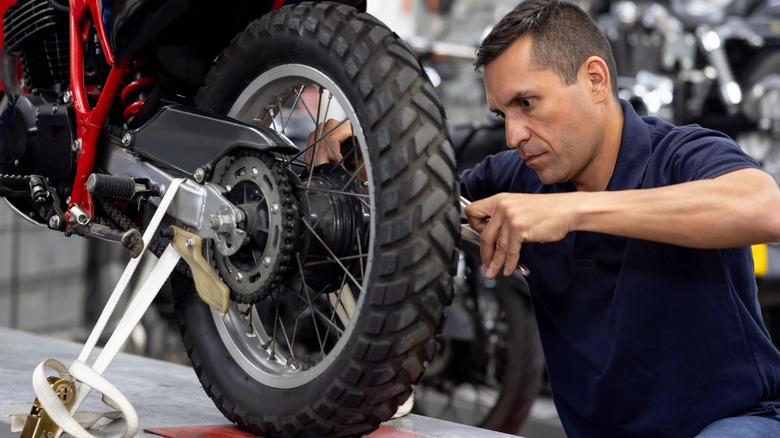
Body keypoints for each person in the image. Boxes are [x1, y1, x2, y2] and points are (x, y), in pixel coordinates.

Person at [306, 1, 780, 436]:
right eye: (502, 113)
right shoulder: (518, 175)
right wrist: (361, 154)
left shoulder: (683, 153)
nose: (513, 135)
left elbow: (763, 208)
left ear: (595, 80)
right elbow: (421, 206)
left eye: (527, 104)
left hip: (731, 424)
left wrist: (571, 212)